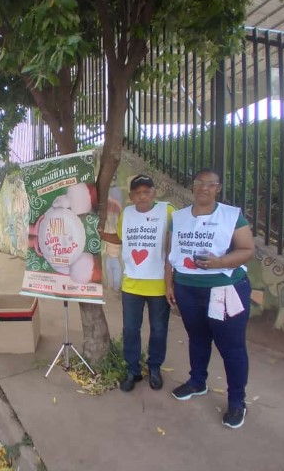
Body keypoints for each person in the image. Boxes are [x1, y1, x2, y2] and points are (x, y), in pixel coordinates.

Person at [165, 168, 255, 429]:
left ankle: (237, 401)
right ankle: (197, 382)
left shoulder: (230, 215)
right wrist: (169, 284)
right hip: (187, 288)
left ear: (218, 188)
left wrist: (220, 262)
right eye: (199, 183)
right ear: (192, 187)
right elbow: (170, 254)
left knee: (232, 347)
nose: (204, 188)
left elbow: (247, 250)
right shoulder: (179, 218)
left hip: (224, 290)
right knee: (197, 338)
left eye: (210, 184)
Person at [99, 175, 175, 392]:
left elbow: (174, 247)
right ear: (131, 196)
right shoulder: (127, 214)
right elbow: (121, 239)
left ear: (154, 193)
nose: (143, 196)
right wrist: (100, 234)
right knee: (131, 329)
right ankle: (133, 370)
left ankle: (154, 368)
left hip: (159, 285)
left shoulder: (168, 211)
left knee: (159, 330)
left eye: (147, 191)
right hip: (131, 284)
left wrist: (172, 282)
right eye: (138, 193)